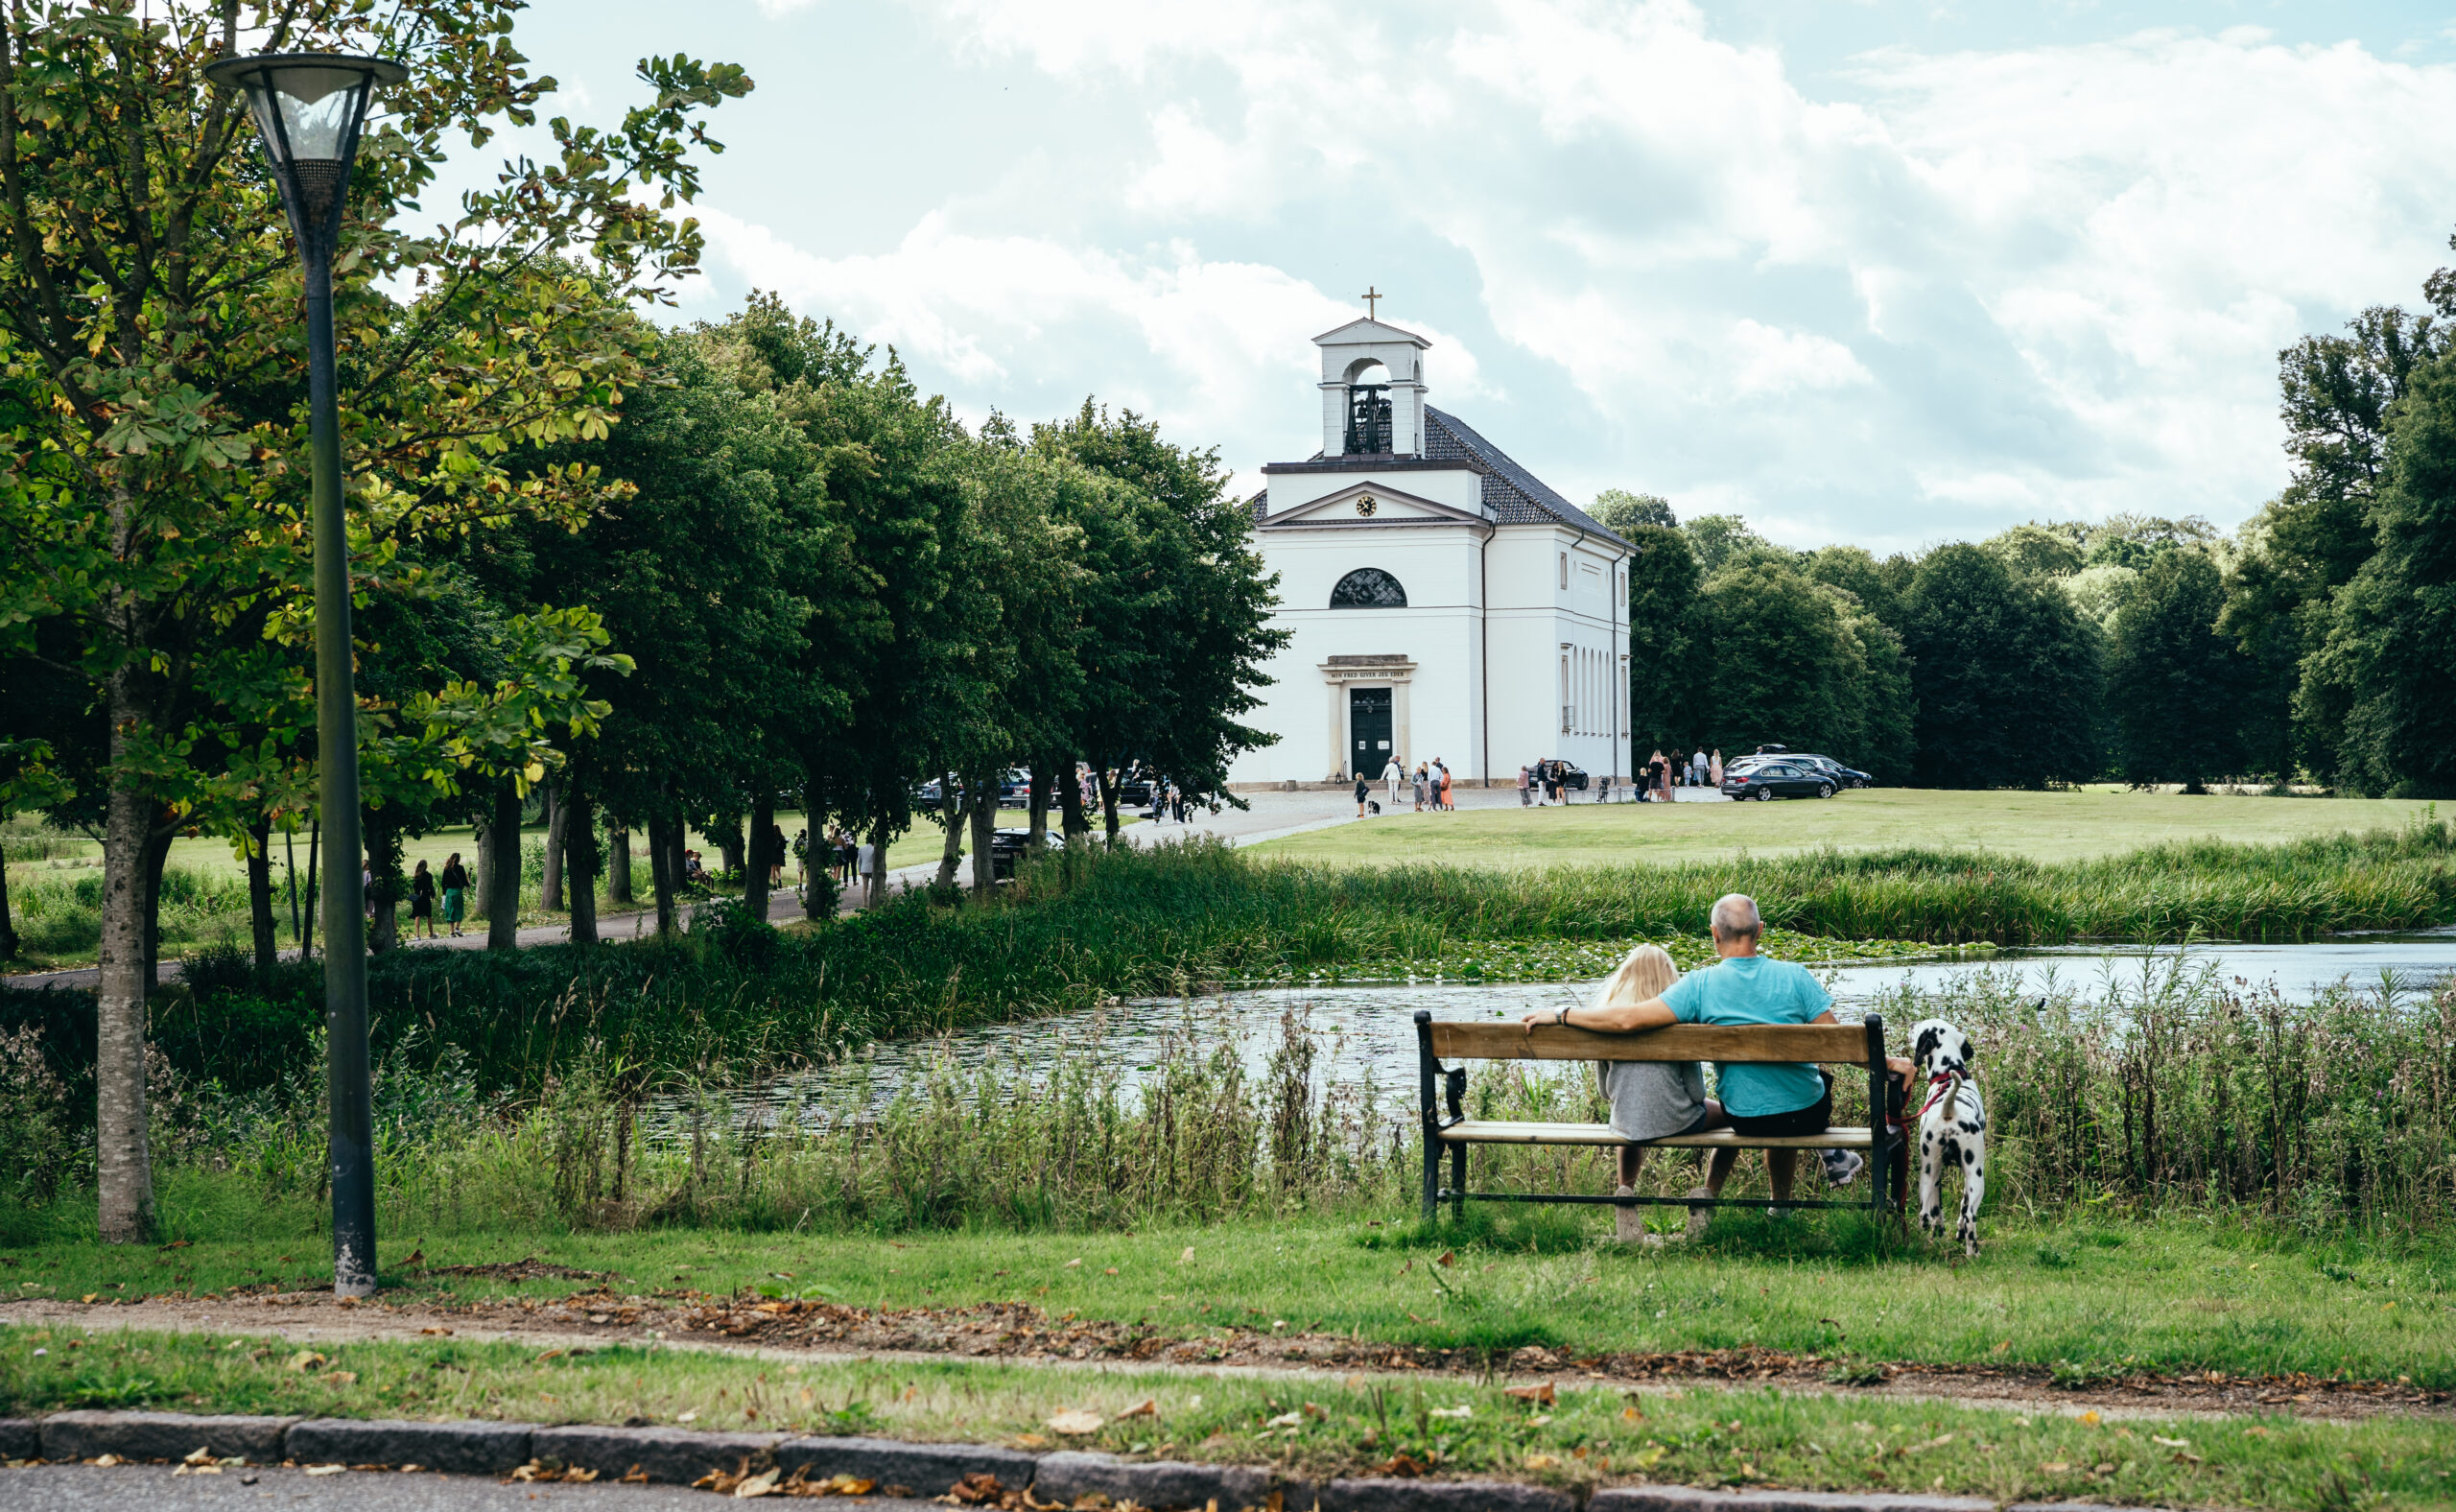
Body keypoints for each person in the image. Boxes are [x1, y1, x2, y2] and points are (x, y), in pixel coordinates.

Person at [1529, 894, 1911, 1233]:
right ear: (1760, 931)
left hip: (1745, 1117)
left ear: (1714, 935)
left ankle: (1742, 1199)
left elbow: (1626, 1020)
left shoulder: (1698, 986)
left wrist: (1563, 1013)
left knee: (1764, 1101)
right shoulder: (1795, 977)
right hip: (1806, 1115)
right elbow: (1842, 1045)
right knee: (1799, 1091)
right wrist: (1891, 1061)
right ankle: (1781, 1209)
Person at [1555, 944, 1729, 1242]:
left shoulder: (1604, 1022)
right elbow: (1697, 1093)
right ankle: (1706, 1195)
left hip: (1626, 1121)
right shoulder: (1678, 1021)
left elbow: (1605, 1093)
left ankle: (1626, 1195)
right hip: (1679, 1120)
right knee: (1737, 1116)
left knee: (1629, 1122)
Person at [438, 852, 468, 937]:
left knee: (450, 910)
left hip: (449, 892)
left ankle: (451, 932)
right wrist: (467, 884)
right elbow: (464, 881)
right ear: (458, 859)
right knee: (459, 909)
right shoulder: (461, 868)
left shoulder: (446, 868)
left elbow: (443, 882)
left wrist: (444, 893)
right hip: (458, 892)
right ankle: (457, 928)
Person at [408, 859, 437, 940]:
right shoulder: (428, 875)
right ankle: (431, 934)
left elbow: (414, 887)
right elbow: (430, 886)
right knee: (429, 915)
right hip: (425, 897)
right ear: (426, 866)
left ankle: (417, 935)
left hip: (416, 898)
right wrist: (433, 895)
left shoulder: (415, 876)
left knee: (417, 916)